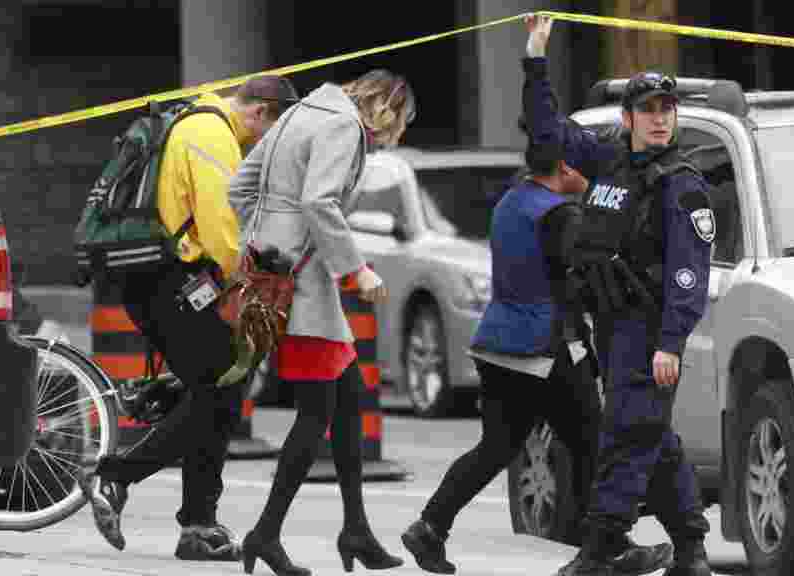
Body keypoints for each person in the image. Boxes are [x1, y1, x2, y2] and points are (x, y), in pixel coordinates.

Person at [521, 14, 714, 576]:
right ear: (628, 118)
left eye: (667, 111)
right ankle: (693, 550)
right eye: (649, 111)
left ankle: (601, 549)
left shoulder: (681, 183)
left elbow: (689, 272)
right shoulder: (607, 159)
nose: (659, 120)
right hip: (611, 323)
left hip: (651, 329)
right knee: (654, 436)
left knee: (628, 435)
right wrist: (536, 56)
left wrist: (672, 342)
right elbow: (548, 132)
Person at [78, 74, 300, 562]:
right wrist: (249, 277)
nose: (266, 145)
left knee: (219, 389)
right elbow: (221, 226)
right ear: (260, 112)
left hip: (164, 278)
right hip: (170, 280)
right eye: (272, 133)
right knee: (221, 385)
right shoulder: (210, 133)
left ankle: (199, 526)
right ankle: (117, 475)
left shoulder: (198, 122)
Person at [227, 69, 413, 576]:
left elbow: (239, 186)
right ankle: (265, 535)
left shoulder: (300, 112)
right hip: (303, 282)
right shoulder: (343, 126)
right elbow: (319, 200)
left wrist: (262, 242)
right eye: (392, 127)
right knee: (316, 412)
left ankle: (357, 530)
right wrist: (357, 270)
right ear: (386, 107)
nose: (382, 141)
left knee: (348, 399)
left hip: (276, 271)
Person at [400, 136, 602, 574]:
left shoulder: (512, 202)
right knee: (591, 442)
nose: (592, 175)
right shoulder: (561, 215)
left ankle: (430, 527)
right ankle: (602, 551)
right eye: (587, 166)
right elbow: (580, 279)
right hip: (544, 348)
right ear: (566, 168)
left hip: (497, 343)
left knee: (496, 447)